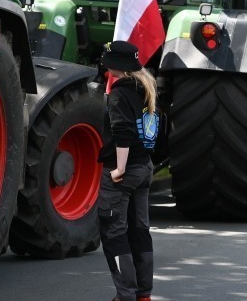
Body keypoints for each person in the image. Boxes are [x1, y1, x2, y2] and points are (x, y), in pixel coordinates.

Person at [97, 40, 158, 301]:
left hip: (124, 170)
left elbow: (121, 131)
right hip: (144, 167)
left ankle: (125, 295)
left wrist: (119, 167)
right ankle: (143, 293)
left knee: (114, 232)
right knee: (139, 230)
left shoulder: (120, 93)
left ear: (113, 66)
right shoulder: (146, 88)